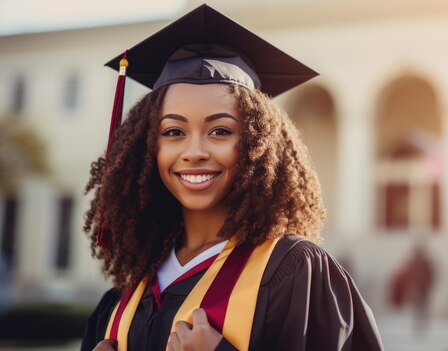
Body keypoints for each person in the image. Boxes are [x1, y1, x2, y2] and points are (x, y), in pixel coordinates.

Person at [80, 4, 383, 351]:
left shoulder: (293, 272)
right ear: (149, 147)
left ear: (256, 144)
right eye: (174, 131)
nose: (194, 151)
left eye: (220, 130)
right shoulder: (124, 298)